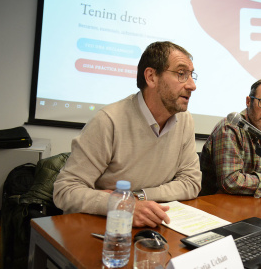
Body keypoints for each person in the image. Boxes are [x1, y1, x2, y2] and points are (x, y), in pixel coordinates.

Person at [53, 41, 201, 228]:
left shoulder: (185, 121)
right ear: (151, 76)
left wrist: (135, 197)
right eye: (181, 74)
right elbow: (65, 190)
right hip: (97, 228)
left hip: (149, 223)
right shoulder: (109, 121)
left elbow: (191, 183)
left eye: (191, 75)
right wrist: (121, 205)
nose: (192, 85)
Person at [200, 78, 261, 198]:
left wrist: (248, 180)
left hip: (250, 200)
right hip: (214, 204)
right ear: (248, 101)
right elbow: (231, 181)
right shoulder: (230, 128)